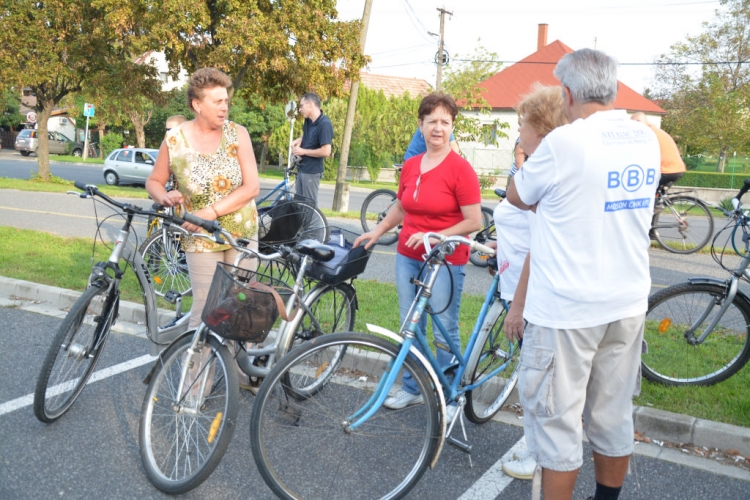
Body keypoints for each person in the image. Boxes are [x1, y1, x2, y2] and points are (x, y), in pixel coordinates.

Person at [505, 49, 660, 500]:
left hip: (567, 310)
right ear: (611, 89)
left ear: (567, 94)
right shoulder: (644, 138)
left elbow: (518, 194)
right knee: (612, 416)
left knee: (558, 425)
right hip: (626, 303)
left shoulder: (565, 142)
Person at [353, 93, 482, 418]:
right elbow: (401, 206)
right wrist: (378, 231)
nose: (438, 128)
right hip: (409, 255)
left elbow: (474, 220)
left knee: (444, 331)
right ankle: (412, 387)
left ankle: (450, 395)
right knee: (410, 325)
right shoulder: (411, 165)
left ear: (452, 127)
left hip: (445, 259)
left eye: (445, 122)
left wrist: (438, 236)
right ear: (420, 125)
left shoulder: (461, 169)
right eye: (432, 122)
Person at [145, 67, 261, 389]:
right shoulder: (175, 139)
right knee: (204, 311)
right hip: (199, 237)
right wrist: (164, 195)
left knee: (240, 305)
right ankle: (194, 388)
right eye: (217, 101)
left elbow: (252, 188)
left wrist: (211, 210)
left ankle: (241, 374)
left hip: (241, 233)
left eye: (226, 100)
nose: (225, 107)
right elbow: (153, 181)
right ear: (197, 104)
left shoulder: (238, 134)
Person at [488, 85, 569, 481]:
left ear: (541, 127)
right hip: (516, 283)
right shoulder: (534, 167)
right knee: (534, 378)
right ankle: (538, 451)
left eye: (522, 125)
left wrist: (518, 306)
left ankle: (538, 455)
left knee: (538, 386)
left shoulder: (545, 173)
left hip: (533, 294)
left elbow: (539, 249)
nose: (518, 132)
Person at [630, 112, 686, 239]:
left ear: (639, 123)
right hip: (675, 168)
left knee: (644, 193)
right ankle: (651, 231)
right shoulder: (655, 130)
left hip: (667, 170)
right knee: (654, 197)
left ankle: (652, 217)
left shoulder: (647, 134)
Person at [291, 92, 333, 207]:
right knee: (298, 205)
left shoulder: (325, 125)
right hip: (302, 168)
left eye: (301, 106)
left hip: (312, 171)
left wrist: (303, 151)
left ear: (310, 104)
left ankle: (315, 225)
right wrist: (299, 140)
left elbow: (326, 151)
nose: (299, 109)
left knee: (309, 207)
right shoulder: (308, 121)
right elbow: (308, 136)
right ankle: (301, 226)